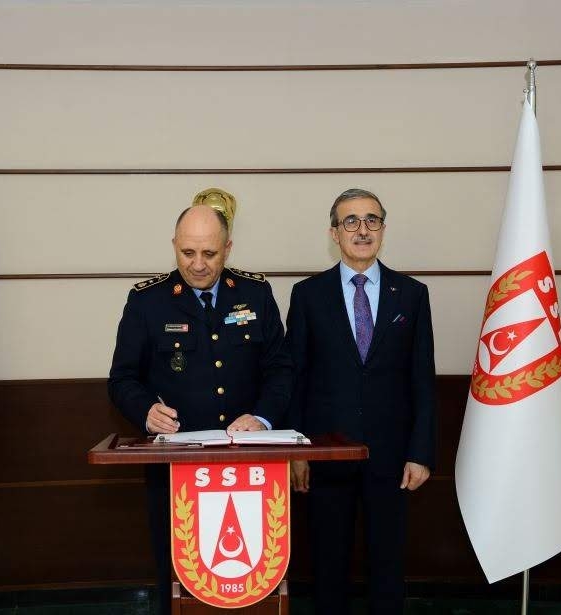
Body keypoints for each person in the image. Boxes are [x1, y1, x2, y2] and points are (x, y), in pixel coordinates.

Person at [108, 203, 291, 614]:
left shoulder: (255, 294)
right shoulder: (147, 301)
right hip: (175, 468)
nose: (197, 264)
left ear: (228, 248)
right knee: (178, 574)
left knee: (251, 571)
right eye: (187, 253)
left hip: (251, 464)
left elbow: (280, 369)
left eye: (209, 253)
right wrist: (145, 410)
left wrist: (263, 417)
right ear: (174, 245)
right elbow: (121, 379)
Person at [286, 188, 437, 614]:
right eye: (350, 221)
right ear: (334, 233)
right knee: (328, 567)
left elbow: (422, 379)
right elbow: (295, 379)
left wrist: (421, 452)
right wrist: (297, 452)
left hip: (391, 458)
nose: (362, 229)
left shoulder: (411, 294)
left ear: (383, 229)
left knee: (387, 568)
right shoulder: (307, 295)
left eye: (372, 220)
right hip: (326, 455)